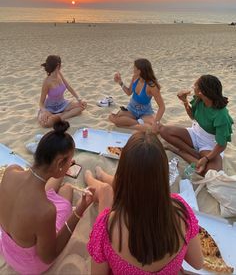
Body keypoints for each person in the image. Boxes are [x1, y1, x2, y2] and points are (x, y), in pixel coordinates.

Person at [85, 131, 203, 275]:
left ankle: (92, 177)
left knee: (105, 192)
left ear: (121, 175)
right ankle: (100, 176)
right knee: (106, 191)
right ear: (163, 176)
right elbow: (197, 263)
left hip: (116, 217)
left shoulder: (107, 227)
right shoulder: (181, 211)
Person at [0, 121, 94, 275]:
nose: (70, 163)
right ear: (60, 162)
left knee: (53, 189)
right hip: (29, 266)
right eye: (69, 161)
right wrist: (79, 210)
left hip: (7, 247)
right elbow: (48, 256)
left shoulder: (11, 171)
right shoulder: (45, 211)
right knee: (67, 191)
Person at [156, 75, 234, 175]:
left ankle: (180, 151)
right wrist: (185, 101)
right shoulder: (199, 100)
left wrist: (206, 158)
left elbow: (222, 145)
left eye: (196, 85)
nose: (193, 87)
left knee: (210, 172)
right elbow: (193, 116)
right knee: (163, 130)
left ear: (202, 92)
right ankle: (194, 154)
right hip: (195, 133)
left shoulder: (221, 115)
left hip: (210, 144)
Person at [109, 58, 165, 130]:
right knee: (112, 117)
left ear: (139, 71)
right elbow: (129, 92)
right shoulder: (135, 78)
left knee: (153, 129)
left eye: (134, 68)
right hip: (131, 110)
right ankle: (139, 124)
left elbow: (162, 107)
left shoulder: (151, 86)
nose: (133, 69)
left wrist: (156, 122)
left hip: (145, 113)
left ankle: (134, 124)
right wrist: (120, 82)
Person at [38, 55, 87, 128]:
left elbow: (68, 86)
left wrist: (79, 99)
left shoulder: (59, 74)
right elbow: (41, 103)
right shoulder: (46, 82)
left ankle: (59, 117)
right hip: (50, 107)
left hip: (62, 104)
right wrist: (44, 111)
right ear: (58, 66)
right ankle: (58, 116)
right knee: (45, 124)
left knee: (82, 106)